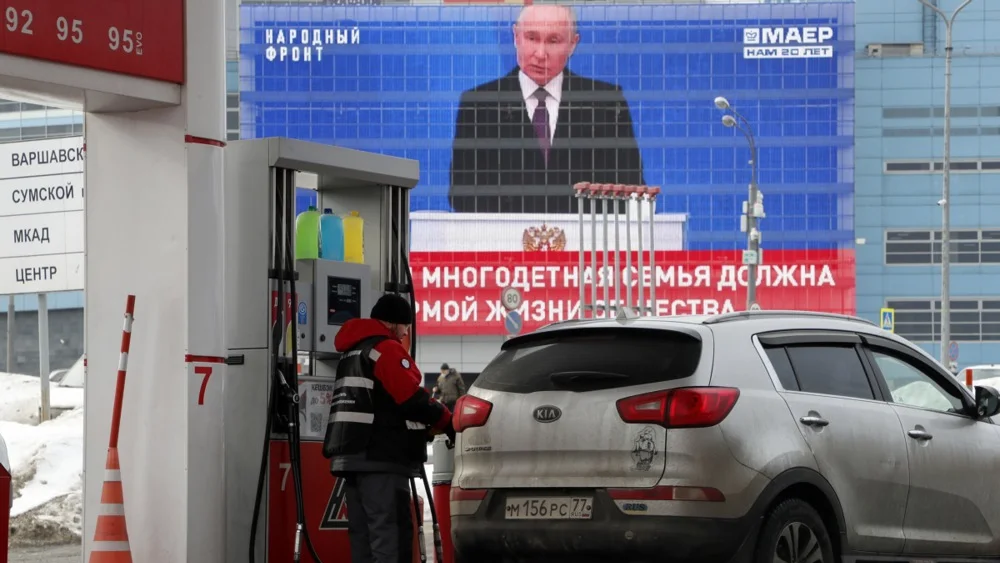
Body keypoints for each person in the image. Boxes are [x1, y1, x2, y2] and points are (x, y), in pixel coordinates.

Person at [449, 3, 645, 214]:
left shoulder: (605, 103)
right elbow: (462, 195)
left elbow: (630, 189)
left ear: (572, 44)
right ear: (516, 37)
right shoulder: (479, 104)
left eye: (553, 41)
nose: (540, 53)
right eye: (532, 38)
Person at [324, 293, 455, 563]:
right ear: (393, 323)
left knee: (363, 542)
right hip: (380, 460)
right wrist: (447, 421)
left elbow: (378, 403)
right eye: (405, 325)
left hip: (352, 460)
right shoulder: (385, 349)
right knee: (390, 540)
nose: (406, 332)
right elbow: (411, 398)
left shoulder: (352, 352)